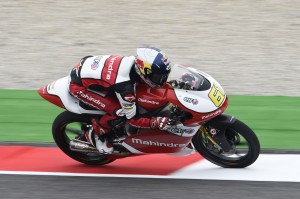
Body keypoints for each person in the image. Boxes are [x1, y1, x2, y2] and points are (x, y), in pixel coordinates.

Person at [68, 47, 174, 153]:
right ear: (143, 70)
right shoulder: (124, 87)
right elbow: (133, 119)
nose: (162, 81)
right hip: (79, 86)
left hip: (88, 66)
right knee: (120, 112)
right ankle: (95, 134)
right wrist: (154, 122)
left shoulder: (134, 62)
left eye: (164, 76)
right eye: (157, 77)